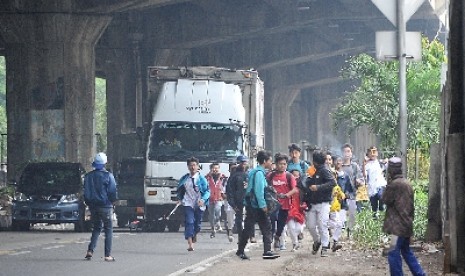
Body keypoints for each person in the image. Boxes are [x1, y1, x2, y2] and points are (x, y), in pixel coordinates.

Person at [382, 157, 425, 276]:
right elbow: (411, 207)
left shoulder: (394, 185)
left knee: (393, 252)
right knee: (406, 251)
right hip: (407, 224)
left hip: (397, 228)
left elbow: (385, 199)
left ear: (390, 170)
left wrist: (387, 183)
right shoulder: (407, 183)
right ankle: (420, 273)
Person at [236, 150, 280, 260]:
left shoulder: (254, 172)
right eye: (270, 161)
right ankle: (266, 251)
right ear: (264, 161)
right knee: (266, 227)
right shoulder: (259, 174)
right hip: (256, 206)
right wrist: (263, 205)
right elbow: (259, 191)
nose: (271, 163)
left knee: (251, 228)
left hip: (252, 205)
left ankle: (242, 250)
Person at [84, 152, 118, 262]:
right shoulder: (108, 176)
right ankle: (107, 255)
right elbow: (112, 191)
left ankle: (90, 250)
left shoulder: (88, 176)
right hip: (106, 206)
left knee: (97, 228)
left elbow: (85, 192)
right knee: (108, 229)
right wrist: (113, 202)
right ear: (104, 163)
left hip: (93, 206)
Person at [304, 150, 336, 257]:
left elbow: (332, 183)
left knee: (322, 224)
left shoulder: (325, 171)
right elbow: (306, 183)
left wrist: (318, 187)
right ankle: (317, 241)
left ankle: (325, 246)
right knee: (311, 225)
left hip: (324, 203)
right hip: (312, 203)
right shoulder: (312, 171)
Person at [177, 157, 210, 251]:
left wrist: (203, 200)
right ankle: (190, 244)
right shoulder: (184, 178)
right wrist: (179, 199)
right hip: (188, 203)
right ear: (188, 167)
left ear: (198, 166)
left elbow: (207, 191)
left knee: (197, 224)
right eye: (190, 165)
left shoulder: (201, 179)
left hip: (199, 203)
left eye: (194, 165)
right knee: (189, 221)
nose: (192, 167)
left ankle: (194, 233)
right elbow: (180, 190)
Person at [268, 153, 298, 251]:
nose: (282, 166)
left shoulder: (289, 176)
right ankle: (270, 240)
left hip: (284, 205)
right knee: (272, 220)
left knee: (281, 225)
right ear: (276, 164)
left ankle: (277, 237)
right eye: (280, 164)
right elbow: (266, 187)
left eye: (284, 164)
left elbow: (295, 189)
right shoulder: (270, 175)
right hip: (272, 205)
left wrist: (286, 195)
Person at [340, 143, 364, 236]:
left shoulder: (355, 166)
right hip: (340, 194)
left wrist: (359, 181)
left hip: (351, 193)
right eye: (345, 151)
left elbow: (361, 179)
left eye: (348, 151)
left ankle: (350, 231)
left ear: (351, 153)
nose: (346, 153)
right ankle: (340, 232)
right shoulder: (339, 165)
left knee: (352, 213)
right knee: (340, 215)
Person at [363, 146, 387, 219]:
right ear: (368, 154)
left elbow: (387, 166)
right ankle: (375, 223)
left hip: (381, 185)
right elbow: (364, 175)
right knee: (374, 208)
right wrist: (363, 165)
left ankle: (382, 211)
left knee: (381, 197)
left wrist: (387, 161)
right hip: (372, 188)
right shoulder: (367, 165)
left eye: (374, 152)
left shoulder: (380, 162)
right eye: (371, 152)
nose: (373, 154)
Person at [287, 169, 307, 252]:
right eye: (293, 175)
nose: (295, 177)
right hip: (289, 209)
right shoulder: (286, 186)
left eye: (297, 175)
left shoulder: (303, 187)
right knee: (291, 227)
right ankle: (295, 243)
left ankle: (299, 234)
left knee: (298, 228)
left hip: (299, 210)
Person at [205, 163, 227, 238]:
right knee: (211, 214)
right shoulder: (206, 177)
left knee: (218, 212)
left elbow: (225, 187)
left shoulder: (223, 177)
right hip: (210, 198)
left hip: (218, 198)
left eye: (216, 168)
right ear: (210, 169)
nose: (215, 170)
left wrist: (224, 194)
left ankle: (218, 222)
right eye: (213, 168)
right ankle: (212, 228)